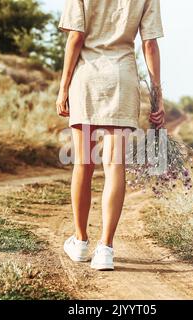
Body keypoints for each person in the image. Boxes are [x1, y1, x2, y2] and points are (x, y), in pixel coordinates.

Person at [56, 0, 165, 271]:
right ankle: (105, 248)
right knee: (115, 166)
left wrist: (63, 87)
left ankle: (80, 242)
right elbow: (149, 44)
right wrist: (156, 95)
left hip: (87, 79)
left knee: (83, 163)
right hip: (122, 79)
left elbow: (76, 37)